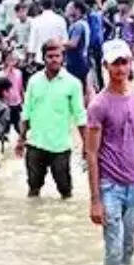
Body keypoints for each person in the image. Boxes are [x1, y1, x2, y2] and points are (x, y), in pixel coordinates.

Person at [86, 39, 134, 265]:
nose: (120, 69)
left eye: (124, 62)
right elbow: (91, 152)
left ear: (131, 64)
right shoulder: (98, 105)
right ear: (105, 66)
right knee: (114, 250)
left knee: (129, 246)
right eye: (115, 63)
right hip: (110, 186)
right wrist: (95, 200)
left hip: (133, 183)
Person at [16, 39, 86, 199]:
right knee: (33, 190)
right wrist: (21, 140)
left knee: (65, 191)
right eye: (50, 56)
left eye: (57, 56)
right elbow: (26, 112)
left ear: (63, 58)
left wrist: (86, 146)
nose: (54, 59)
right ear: (43, 58)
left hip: (60, 147)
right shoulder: (34, 81)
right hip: (35, 144)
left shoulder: (73, 84)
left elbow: (80, 117)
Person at [25, 0, 67, 65]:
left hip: (40, 57)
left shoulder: (36, 21)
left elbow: (33, 40)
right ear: (52, 6)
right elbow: (64, 40)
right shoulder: (60, 20)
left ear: (41, 6)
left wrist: (31, 56)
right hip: (57, 57)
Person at [63, 0, 92, 90]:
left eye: (69, 8)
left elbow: (73, 43)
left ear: (77, 10)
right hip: (83, 61)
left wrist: (59, 42)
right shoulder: (84, 23)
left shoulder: (78, 26)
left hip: (76, 63)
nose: (67, 10)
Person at [1, 50, 24, 128]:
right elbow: (2, 81)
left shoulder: (19, 72)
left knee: (17, 123)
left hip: (16, 102)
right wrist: (8, 68)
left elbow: (20, 87)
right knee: (5, 126)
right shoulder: (2, 74)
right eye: (9, 59)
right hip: (6, 103)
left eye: (13, 58)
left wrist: (22, 100)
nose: (11, 60)